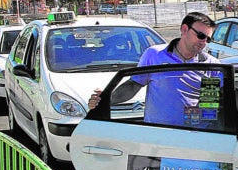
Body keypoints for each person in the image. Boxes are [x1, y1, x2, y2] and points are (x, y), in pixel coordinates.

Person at [88, 12, 219, 127]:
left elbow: (210, 106)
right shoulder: (155, 54)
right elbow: (134, 84)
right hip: (156, 133)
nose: (204, 42)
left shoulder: (211, 65)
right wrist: (105, 100)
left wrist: (189, 122)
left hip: (194, 135)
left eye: (208, 39)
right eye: (201, 36)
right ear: (184, 29)